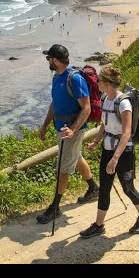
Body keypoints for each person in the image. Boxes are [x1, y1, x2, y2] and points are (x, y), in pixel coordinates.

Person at [79, 65, 139, 238]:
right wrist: (96, 142)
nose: (97, 82)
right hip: (107, 149)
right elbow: (105, 124)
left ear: (108, 83)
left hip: (123, 153)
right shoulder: (105, 99)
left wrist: (115, 158)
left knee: (128, 188)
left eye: (100, 80)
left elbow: (126, 133)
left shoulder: (124, 103)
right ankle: (98, 225)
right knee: (104, 188)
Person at [37, 44, 99, 224]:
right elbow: (54, 103)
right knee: (76, 158)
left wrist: (73, 130)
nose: (48, 61)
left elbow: (86, 108)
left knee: (63, 169)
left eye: (49, 58)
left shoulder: (75, 79)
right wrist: (45, 124)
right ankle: (93, 188)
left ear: (55, 60)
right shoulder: (57, 77)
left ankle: (55, 208)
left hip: (71, 131)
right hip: (61, 129)